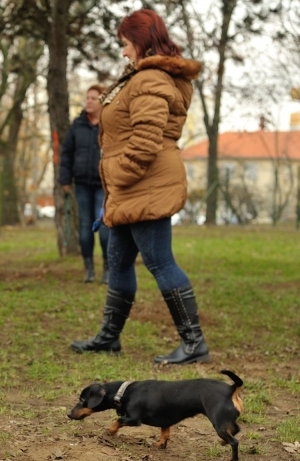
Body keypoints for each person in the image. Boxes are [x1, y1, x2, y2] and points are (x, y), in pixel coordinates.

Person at [69, 9, 208, 365]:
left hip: (146, 183)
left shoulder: (150, 80)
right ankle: (109, 338)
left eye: (126, 44)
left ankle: (194, 344)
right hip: (132, 186)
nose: (123, 51)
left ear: (141, 42)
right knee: (118, 259)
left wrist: (119, 177)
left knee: (160, 261)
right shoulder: (144, 77)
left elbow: (145, 141)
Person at [59, 85, 110, 283]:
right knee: (86, 227)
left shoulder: (109, 125)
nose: (88, 101)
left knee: (104, 227)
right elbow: (66, 154)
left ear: (102, 102)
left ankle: (107, 267)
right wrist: (65, 179)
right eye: (87, 97)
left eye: (93, 98)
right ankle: (88, 268)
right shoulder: (77, 125)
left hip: (103, 185)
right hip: (81, 184)